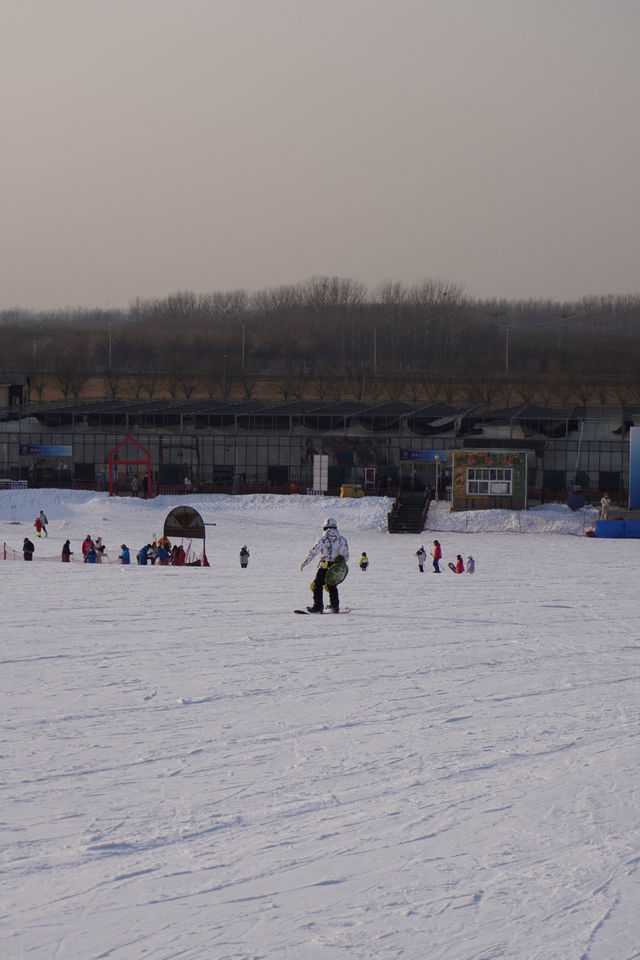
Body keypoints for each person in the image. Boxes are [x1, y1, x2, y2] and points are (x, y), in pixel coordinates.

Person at [299, 516, 349, 613]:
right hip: (335, 567)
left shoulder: (322, 540)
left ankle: (318, 607)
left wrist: (304, 563)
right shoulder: (342, 540)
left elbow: (313, 552)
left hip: (324, 566)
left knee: (317, 585)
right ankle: (334, 606)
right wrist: (340, 565)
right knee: (332, 585)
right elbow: (346, 555)